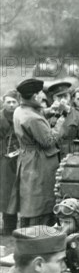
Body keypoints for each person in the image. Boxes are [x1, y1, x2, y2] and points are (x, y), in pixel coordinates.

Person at [13, 79, 61, 227]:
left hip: (27, 158)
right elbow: (48, 141)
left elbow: (35, 115)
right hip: (40, 162)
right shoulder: (33, 118)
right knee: (42, 199)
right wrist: (60, 123)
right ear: (34, 96)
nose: (43, 96)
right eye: (40, 93)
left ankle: (28, 230)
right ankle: (41, 233)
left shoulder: (20, 110)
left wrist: (49, 111)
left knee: (30, 199)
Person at [47, 81, 79, 157]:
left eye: (65, 96)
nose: (63, 100)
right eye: (60, 97)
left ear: (70, 97)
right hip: (52, 158)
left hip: (71, 158)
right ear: (54, 98)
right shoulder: (48, 115)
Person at [1, 90, 20, 234]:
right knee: (6, 192)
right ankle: (8, 226)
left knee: (23, 190)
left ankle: (25, 224)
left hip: (22, 158)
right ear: (3, 103)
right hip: (3, 159)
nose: (12, 105)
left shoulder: (22, 116)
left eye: (14, 102)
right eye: (9, 102)